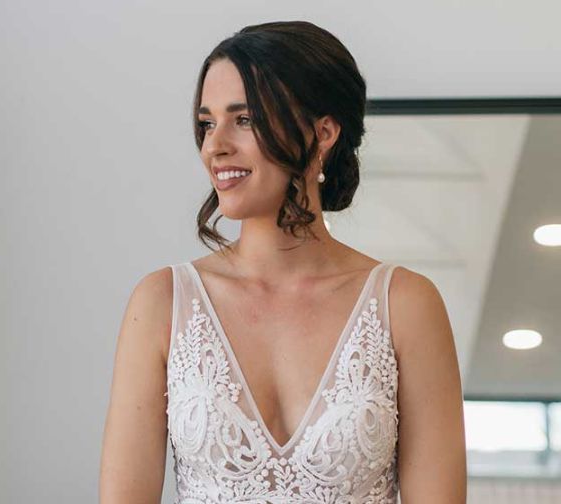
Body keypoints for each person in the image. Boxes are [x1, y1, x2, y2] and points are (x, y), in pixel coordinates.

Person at [99, 20, 467, 503]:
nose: (215, 145)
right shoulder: (164, 304)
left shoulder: (406, 305)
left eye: (245, 119)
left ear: (323, 133)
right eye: (207, 123)